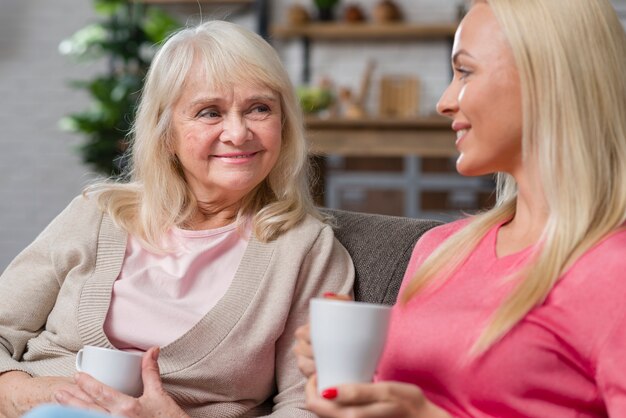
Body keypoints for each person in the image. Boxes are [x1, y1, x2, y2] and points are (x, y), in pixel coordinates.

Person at [0, 20, 354, 418]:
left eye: (259, 108)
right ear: (166, 134)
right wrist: (21, 393)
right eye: (209, 112)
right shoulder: (98, 214)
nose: (238, 133)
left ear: (284, 125)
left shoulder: (306, 249)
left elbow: (311, 407)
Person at [295, 0, 626, 416]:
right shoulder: (440, 249)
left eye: (465, 71)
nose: (444, 102)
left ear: (546, 77)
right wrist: (354, 376)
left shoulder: (613, 270)